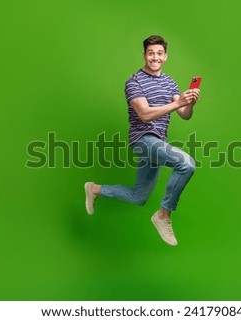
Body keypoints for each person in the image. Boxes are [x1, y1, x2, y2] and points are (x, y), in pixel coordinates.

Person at [84, 35, 200, 246]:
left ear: (165, 56)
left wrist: (189, 103)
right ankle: (163, 215)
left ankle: (94, 189)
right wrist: (177, 104)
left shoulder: (170, 82)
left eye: (159, 53)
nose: (154, 57)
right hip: (143, 140)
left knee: (139, 196)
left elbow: (184, 114)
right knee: (186, 164)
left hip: (158, 143)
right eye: (150, 53)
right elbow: (144, 114)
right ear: (144, 55)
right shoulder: (134, 82)